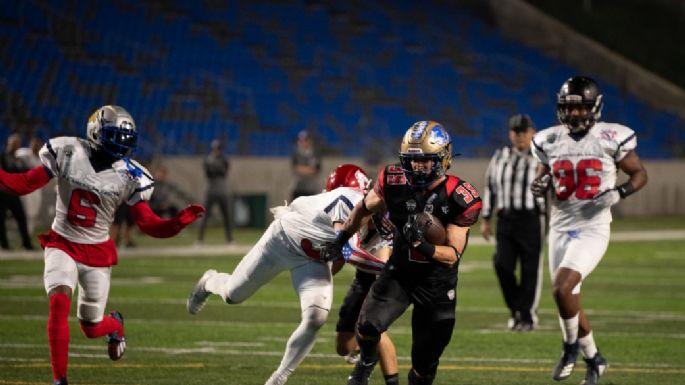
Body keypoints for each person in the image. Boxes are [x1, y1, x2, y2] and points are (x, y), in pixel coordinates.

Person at [0, 105, 205, 385]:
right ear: (96, 132)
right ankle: (59, 379)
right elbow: (23, 183)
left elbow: (147, 224)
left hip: (97, 252)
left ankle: (115, 324)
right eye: (115, 135)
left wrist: (177, 222)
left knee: (91, 326)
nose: (121, 143)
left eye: (125, 138)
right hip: (63, 242)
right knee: (59, 302)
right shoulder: (68, 150)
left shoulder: (132, 175)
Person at [322, 121, 482, 385]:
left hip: (436, 285)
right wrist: (340, 239)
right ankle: (365, 363)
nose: (417, 167)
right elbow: (363, 208)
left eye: (425, 161)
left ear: (443, 158)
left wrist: (422, 244)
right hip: (400, 273)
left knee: (423, 369)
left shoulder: (459, 195)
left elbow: (452, 254)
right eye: (412, 161)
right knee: (367, 327)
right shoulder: (393, 179)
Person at [186, 164, 371, 385]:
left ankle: (279, 378)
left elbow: (341, 257)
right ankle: (210, 281)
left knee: (316, 317)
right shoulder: (346, 199)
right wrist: (386, 268)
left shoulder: (354, 206)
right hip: (281, 243)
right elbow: (351, 253)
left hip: (310, 259)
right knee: (232, 294)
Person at [530, 76, 648, 385]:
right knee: (568, 299)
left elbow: (639, 174)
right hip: (559, 226)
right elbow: (543, 178)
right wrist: (539, 184)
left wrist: (619, 193)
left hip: (592, 227)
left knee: (561, 288)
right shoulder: (549, 139)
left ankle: (570, 348)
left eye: (582, 108)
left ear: (594, 108)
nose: (575, 114)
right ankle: (595, 359)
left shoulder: (611, 136)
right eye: (570, 109)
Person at [481, 114, 546, 331]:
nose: (519, 136)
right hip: (506, 219)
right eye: (515, 131)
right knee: (502, 264)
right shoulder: (501, 156)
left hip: (530, 218)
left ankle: (526, 316)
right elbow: (490, 185)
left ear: (532, 133)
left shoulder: (541, 157)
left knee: (530, 269)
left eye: (523, 131)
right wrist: (486, 218)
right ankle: (516, 308)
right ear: (510, 133)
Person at [334, 211, 399, 385]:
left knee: (374, 328)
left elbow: (349, 253)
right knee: (343, 347)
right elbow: (340, 255)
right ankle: (368, 350)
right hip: (361, 280)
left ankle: (390, 380)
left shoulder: (385, 241)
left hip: (378, 283)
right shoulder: (357, 221)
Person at [0, 132, 34, 250]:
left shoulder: (18, 159)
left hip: (13, 193)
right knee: (1, 219)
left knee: (21, 217)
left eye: (17, 143)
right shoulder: (3, 156)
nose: (16, 145)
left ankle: (26, 243)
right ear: (9, 143)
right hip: (3, 193)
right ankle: (4, 244)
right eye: (14, 143)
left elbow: (26, 172)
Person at [197, 139, 233, 244]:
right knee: (205, 215)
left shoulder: (223, 160)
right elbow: (208, 173)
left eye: (217, 148)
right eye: (214, 148)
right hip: (211, 191)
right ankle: (200, 238)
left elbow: (223, 172)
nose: (216, 150)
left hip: (222, 191)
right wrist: (212, 168)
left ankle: (230, 239)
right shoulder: (208, 159)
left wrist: (213, 167)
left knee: (226, 215)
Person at [15, 135, 44, 234]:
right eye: (33, 144)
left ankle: (28, 232)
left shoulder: (42, 159)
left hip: (36, 189)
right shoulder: (24, 153)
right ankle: (23, 232)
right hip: (25, 187)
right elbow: (13, 156)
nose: (35, 146)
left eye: (37, 145)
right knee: (25, 210)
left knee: (34, 212)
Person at [290, 130, 322, 200]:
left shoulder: (315, 155)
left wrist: (301, 169)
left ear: (310, 141)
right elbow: (295, 168)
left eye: (305, 140)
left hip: (311, 188)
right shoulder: (296, 154)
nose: (303, 143)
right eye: (301, 141)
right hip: (297, 187)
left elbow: (315, 170)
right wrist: (308, 169)